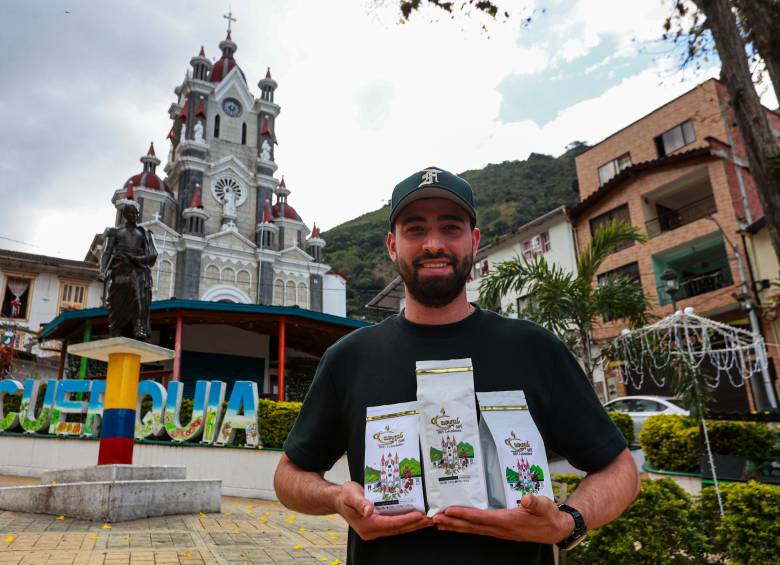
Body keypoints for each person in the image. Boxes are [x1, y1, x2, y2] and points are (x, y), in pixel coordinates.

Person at [274, 166, 640, 564]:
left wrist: (568, 523)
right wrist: (335, 497)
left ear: (474, 241)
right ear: (393, 246)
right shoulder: (349, 358)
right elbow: (289, 477)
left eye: (450, 228)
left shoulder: (533, 349)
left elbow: (619, 470)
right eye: (415, 230)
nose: (434, 244)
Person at [100, 203, 157, 340]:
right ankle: (116, 326)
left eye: (135, 213)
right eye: (130, 213)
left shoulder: (143, 233)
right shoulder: (116, 232)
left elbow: (152, 255)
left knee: (138, 295)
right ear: (125, 215)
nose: (133, 216)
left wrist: (137, 258)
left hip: (137, 269)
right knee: (116, 302)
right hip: (120, 268)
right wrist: (103, 270)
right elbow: (107, 252)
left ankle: (138, 326)